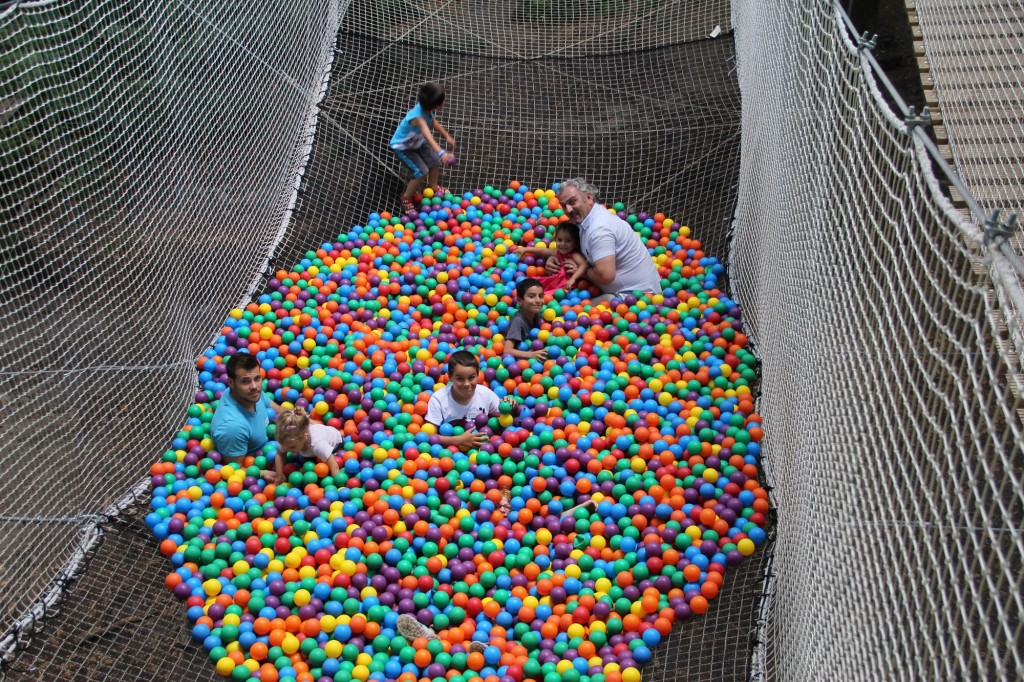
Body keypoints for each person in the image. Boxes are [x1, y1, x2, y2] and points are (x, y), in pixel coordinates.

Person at [555, 178, 663, 302]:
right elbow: (577, 247)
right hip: (632, 293)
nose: (568, 210)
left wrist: (581, 271)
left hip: (637, 299)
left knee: (572, 308)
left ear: (589, 198)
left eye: (572, 202)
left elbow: (605, 276)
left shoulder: (599, 230)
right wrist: (557, 256)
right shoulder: (588, 217)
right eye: (564, 206)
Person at [425, 350, 516, 451]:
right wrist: (458, 440)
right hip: (450, 453)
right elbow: (429, 437)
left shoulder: (485, 394)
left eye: (471, 378)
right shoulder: (439, 399)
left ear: (478, 375)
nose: (467, 384)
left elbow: (506, 417)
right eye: (460, 379)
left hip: (485, 450)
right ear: (450, 377)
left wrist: (511, 406)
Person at [390, 82, 457, 213]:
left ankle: (433, 186)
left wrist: (446, 135)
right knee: (421, 172)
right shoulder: (418, 118)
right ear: (438, 105)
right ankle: (406, 197)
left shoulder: (426, 109)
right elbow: (428, 136)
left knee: (434, 163)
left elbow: (432, 121)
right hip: (404, 147)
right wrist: (441, 152)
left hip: (417, 141)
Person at [211, 353, 283, 462]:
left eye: (257, 378)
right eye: (245, 381)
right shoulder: (232, 427)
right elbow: (235, 470)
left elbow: (278, 410)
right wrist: (261, 473)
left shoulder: (249, 394)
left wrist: (305, 419)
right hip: (259, 461)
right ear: (231, 383)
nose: (254, 386)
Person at [264, 407, 343, 483]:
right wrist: (279, 474)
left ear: (305, 437)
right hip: (310, 446)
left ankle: (313, 423)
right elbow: (280, 454)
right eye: (283, 445)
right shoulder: (286, 439)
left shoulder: (317, 444)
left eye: (292, 447)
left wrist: (337, 485)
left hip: (336, 444)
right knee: (306, 466)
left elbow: (335, 467)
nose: (288, 450)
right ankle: (310, 422)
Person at [516, 221, 589, 294]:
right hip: (552, 280)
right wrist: (526, 249)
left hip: (565, 284)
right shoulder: (556, 251)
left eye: (568, 241)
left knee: (551, 293)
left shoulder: (574, 254)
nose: (563, 244)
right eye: (559, 240)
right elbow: (543, 251)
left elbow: (584, 265)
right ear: (555, 239)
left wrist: (573, 278)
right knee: (532, 283)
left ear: (575, 242)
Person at [504, 278, 549, 361]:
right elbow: (507, 350)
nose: (538, 300)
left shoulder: (537, 315)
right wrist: (531, 355)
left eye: (541, 296)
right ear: (520, 301)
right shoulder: (518, 321)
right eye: (531, 296)